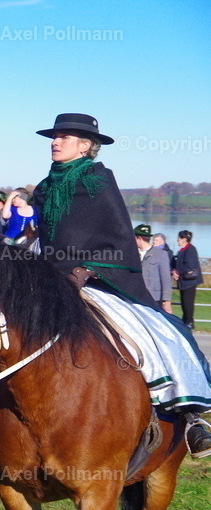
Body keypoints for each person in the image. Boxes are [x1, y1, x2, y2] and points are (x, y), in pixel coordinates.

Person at [33, 112, 211, 457]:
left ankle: (190, 418)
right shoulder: (44, 187)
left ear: (85, 146)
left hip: (100, 280)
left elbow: (117, 238)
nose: (55, 142)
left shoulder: (100, 181)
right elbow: (46, 238)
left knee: (159, 331)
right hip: (50, 281)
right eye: (54, 137)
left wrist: (86, 271)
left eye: (64, 137)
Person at [135, 224, 173, 315]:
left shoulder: (161, 254)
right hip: (137, 297)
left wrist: (167, 302)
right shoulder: (133, 254)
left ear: (139, 238)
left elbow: (166, 279)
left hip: (154, 298)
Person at [173, 229, 203, 329]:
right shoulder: (183, 249)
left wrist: (177, 272)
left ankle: (189, 322)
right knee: (184, 302)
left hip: (189, 282)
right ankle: (186, 321)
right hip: (184, 281)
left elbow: (189, 266)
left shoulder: (190, 250)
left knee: (187, 303)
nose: (177, 240)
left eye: (179, 238)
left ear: (184, 239)